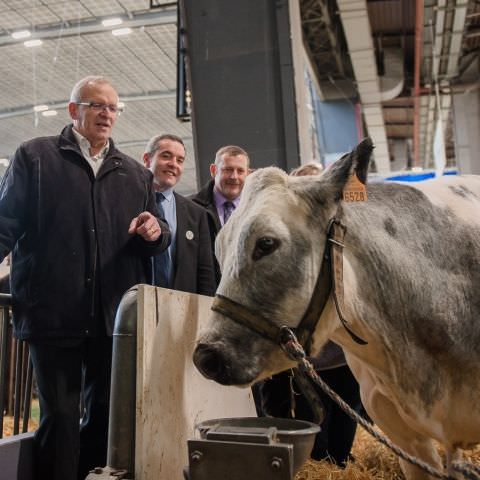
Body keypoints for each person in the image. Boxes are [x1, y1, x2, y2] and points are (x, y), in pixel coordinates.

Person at [0, 75, 170, 480]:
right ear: (74, 110)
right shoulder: (35, 157)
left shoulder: (135, 174)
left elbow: (157, 237)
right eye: (98, 106)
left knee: (103, 419)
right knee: (59, 417)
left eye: (113, 108)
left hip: (111, 318)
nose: (107, 114)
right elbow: (5, 222)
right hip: (52, 312)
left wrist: (155, 231)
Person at [259, 160, 363, 467]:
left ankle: (341, 464)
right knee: (314, 425)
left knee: (347, 418)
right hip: (307, 356)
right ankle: (322, 464)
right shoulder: (286, 247)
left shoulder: (344, 239)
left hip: (345, 353)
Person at [143, 134, 216, 296]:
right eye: (166, 156)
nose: (173, 164)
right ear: (147, 159)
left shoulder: (196, 213)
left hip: (182, 309)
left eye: (180, 160)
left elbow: (205, 272)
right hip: (137, 305)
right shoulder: (129, 202)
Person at [190, 145, 250, 284]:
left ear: (248, 173)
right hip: (205, 296)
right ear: (213, 170)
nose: (234, 177)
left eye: (240, 171)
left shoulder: (257, 210)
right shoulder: (190, 209)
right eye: (227, 169)